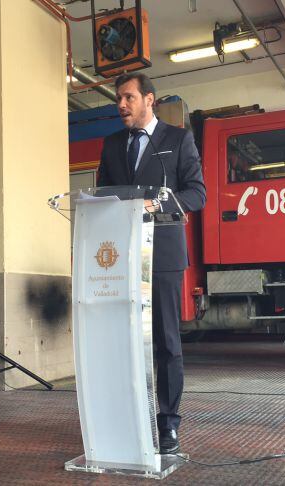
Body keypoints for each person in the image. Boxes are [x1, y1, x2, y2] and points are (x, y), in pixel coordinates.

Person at [97, 73, 206, 454]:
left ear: (149, 99)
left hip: (162, 255)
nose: (121, 105)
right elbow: (103, 194)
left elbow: (197, 193)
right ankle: (129, 417)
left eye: (128, 97)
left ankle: (168, 422)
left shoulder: (178, 139)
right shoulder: (112, 144)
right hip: (119, 256)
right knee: (124, 340)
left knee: (165, 341)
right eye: (118, 98)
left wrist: (156, 203)